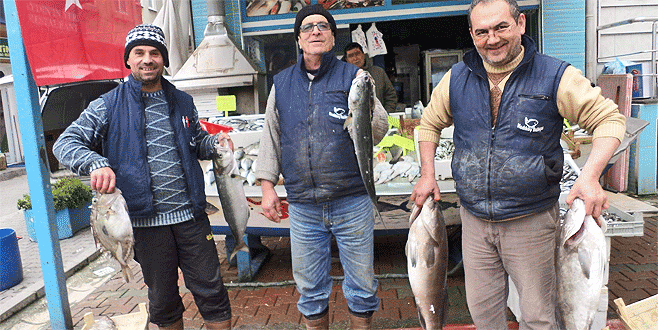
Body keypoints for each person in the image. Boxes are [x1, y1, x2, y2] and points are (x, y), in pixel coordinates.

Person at [410, 0, 626, 328]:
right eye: (482, 31)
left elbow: (609, 120)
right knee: (483, 312)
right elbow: (428, 124)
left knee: (538, 315)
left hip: (532, 220)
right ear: (471, 34)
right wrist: (428, 173)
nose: (492, 39)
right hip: (474, 221)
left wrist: (591, 177)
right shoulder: (457, 78)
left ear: (521, 24)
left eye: (501, 27)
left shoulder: (556, 76)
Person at [53, 24, 233, 330]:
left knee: (213, 292)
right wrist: (95, 163)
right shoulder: (107, 105)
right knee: (163, 302)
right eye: (139, 53)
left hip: (191, 216)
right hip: (145, 225)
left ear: (163, 59)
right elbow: (65, 144)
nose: (147, 59)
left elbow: (195, 142)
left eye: (154, 53)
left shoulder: (183, 101)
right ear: (128, 59)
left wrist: (214, 144)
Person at [255, 4, 389, 330]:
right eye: (308, 27)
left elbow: (381, 127)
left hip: (351, 200)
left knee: (361, 287)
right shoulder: (282, 83)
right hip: (303, 206)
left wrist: (365, 100)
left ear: (331, 37)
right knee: (311, 291)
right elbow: (271, 134)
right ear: (299, 40)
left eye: (323, 26)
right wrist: (267, 186)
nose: (316, 30)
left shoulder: (352, 76)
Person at [344, 42, 398, 113]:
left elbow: (391, 96)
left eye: (357, 54)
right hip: (354, 121)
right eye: (351, 56)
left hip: (380, 120)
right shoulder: (343, 78)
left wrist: (386, 114)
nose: (355, 58)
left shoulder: (378, 72)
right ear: (346, 59)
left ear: (363, 55)